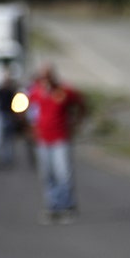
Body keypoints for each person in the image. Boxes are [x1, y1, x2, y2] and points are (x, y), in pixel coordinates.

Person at [27, 64, 85, 224]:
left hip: (60, 138)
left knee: (63, 173)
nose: (45, 80)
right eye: (42, 77)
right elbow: (27, 110)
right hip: (43, 140)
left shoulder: (64, 91)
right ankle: (53, 206)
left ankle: (67, 206)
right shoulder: (35, 92)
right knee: (47, 174)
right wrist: (31, 127)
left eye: (48, 76)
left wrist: (76, 123)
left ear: (53, 76)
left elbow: (81, 104)